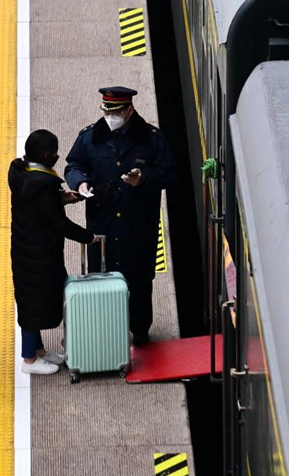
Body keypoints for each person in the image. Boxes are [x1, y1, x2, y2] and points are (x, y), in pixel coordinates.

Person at [64, 87, 175, 345]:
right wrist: (80, 182)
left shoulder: (152, 139)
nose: (110, 117)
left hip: (138, 225)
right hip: (102, 225)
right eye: (106, 112)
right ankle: (105, 333)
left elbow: (169, 173)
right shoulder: (89, 138)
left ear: (129, 110)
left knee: (139, 281)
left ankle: (140, 331)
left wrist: (144, 179)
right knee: (101, 279)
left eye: (116, 112)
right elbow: (74, 164)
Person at [9, 129, 95, 374]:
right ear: (47, 155)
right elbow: (59, 223)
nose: (57, 156)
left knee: (31, 299)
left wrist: (60, 199)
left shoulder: (21, 173)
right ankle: (28, 359)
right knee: (32, 305)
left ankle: (38, 350)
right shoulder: (42, 185)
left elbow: (37, 206)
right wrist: (88, 237)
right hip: (38, 254)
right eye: (55, 152)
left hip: (27, 249)